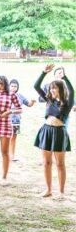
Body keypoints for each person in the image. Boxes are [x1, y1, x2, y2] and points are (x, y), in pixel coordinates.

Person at [33, 64, 73, 199]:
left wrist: (65, 77)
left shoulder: (67, 103)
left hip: (59, 132)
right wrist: (43, 72)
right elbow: (36, 86)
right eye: (51, 88)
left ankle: (61, 192)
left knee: (60, 163)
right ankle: (48, 189)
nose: (51, 90)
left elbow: (72, 91)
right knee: (46, 162)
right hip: (46, 130)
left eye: (54, 87)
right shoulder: (49, 100)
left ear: (60, 89)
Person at [8, 79, 35, 162]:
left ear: (17, 87)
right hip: (7, 120)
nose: (13, 88)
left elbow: (28, 104)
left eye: (15, 86)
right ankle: (6, 155)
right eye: (12, 86)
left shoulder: (20, 96)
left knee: (14, 137)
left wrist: (32, 102)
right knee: (7, 138)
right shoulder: (6, 95)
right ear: (9, 86)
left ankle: (12, 155)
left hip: (16, 120)